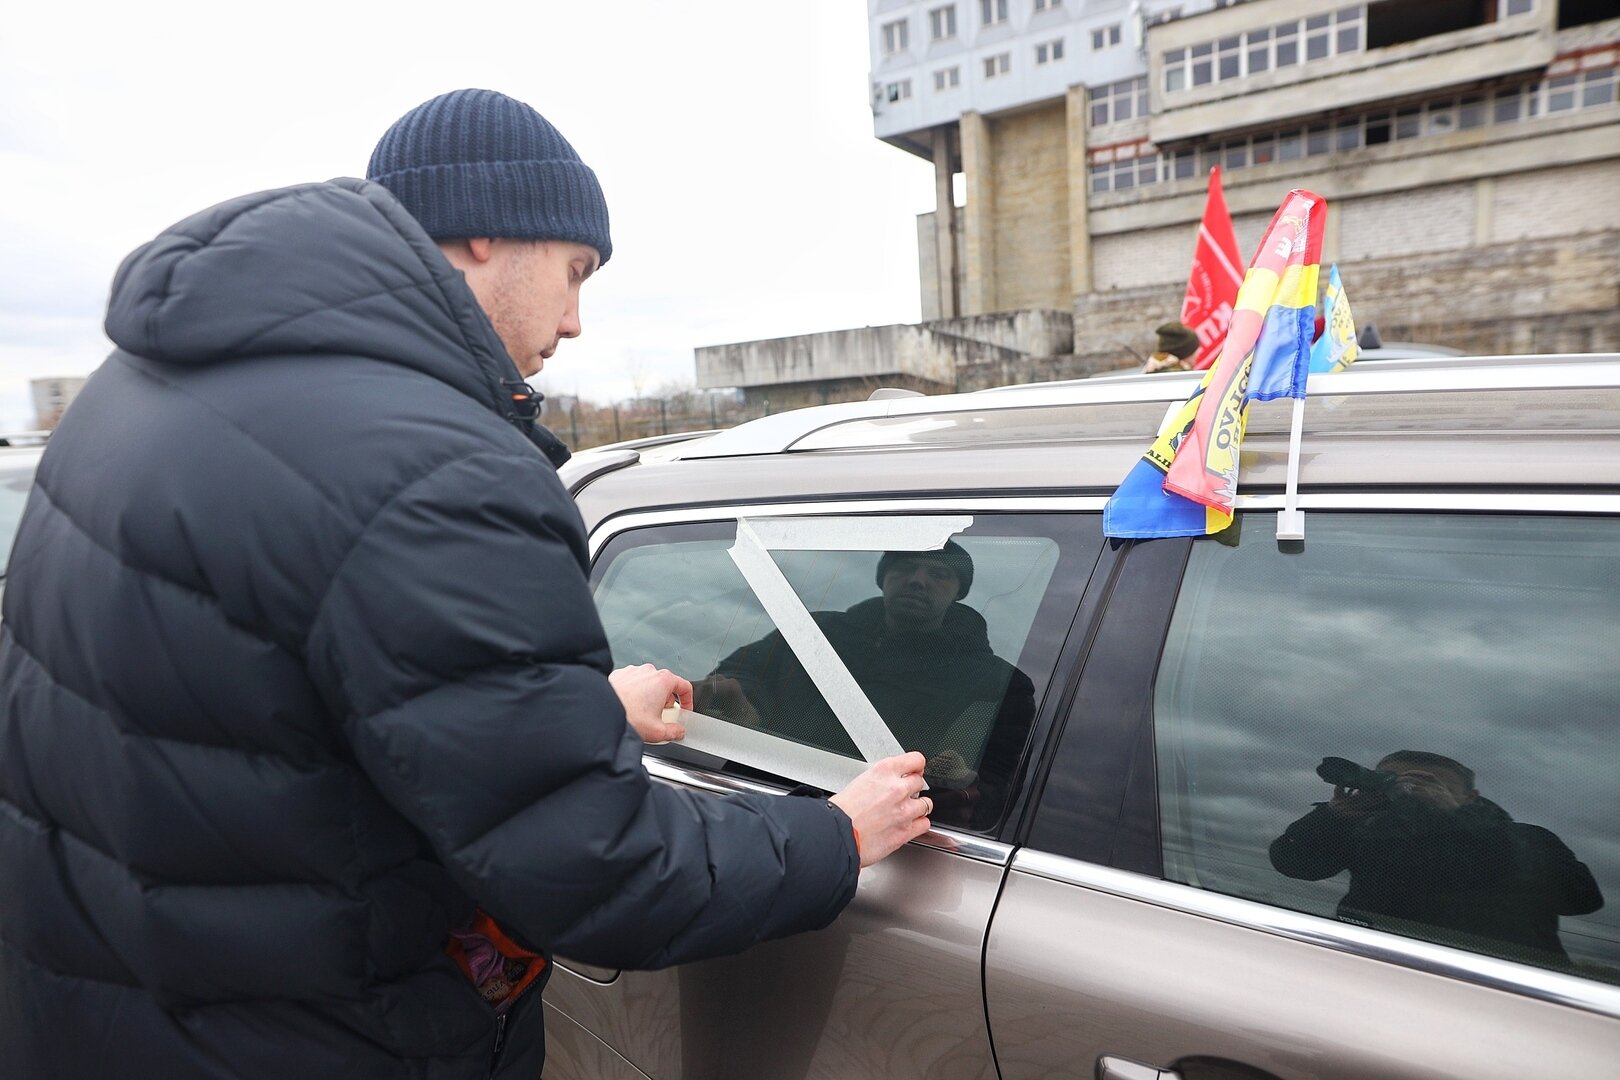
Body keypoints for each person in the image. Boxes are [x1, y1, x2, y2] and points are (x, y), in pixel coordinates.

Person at [0, 89, 932, 1079]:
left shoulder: (132, 392)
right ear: (485, 233)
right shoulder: (437, 471)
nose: (576, 321)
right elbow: (598, 870)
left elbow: (248, 720)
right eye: (575, 272)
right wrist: (832, 835)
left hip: (101, 1009)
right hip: (315, 1037)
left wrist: (575, 717)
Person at [695, 542, 1036, 830]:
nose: (919, 581)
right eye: (906, 568)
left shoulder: (999, 682)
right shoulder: (814, 631)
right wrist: (748, 708)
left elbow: (999, 795)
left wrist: (962, 785)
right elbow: (741, 676)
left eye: (938, 574)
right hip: (751, 801)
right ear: (883, 578)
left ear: (957, 592)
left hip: (886, 836)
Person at [1269, 751, 1603, 965]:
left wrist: (1455, 819)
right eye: (1395, 783)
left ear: (1469, 797)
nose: (1409, 791)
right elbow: (1292, 863)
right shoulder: (1370, 830)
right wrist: (1333, 818)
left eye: (1427, 784)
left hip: (1503, 983)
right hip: (1371, 967)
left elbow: (1581, 898)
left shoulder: (1527, 837)